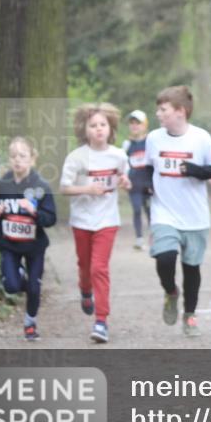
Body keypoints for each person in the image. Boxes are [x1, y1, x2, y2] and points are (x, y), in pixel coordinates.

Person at [144, 86, 211, 337]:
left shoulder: (201, 137)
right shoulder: (154, 138)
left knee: (191, 268)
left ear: (180, 111)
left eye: (163, 109)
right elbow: (147, 168)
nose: (158, 114)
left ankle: (190, 314)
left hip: (194, 215)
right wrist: (145, 186)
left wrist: (194, 170)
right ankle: (170, 291)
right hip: (163, 212)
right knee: (165, 258)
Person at [60, 103, 132, 344]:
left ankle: (101, 321)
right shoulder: (77, 157)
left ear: (110, 128)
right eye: (93, 125)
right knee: (85, 265)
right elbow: (64, 188)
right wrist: (87, 189)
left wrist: (124, 181)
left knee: (99, 268)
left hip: (107, 219)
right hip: (81, 220)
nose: (99, 129)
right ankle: (85, 290)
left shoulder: (119, 155)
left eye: (103, 125)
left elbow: (125, 177)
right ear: (85, 129)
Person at [0, 137, 57, 341]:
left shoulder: (41, 186)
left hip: (34, 247)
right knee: (11, 286)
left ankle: (30, 324)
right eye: (13, 156)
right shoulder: (1, 184)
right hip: (9, 246)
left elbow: (51, 218)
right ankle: (22, 277)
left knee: (34, 287)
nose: (17, 160)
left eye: (22, 156)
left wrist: (34, 212)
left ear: (32, 159)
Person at [122, 110, 152, 250]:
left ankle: (154, 236)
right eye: (132, 123)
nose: (134, 126)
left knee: (150, 210)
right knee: (136, 209)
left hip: (148, 184)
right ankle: (139, 238)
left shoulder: (150, 142)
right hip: (134, 185)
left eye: (137, 123)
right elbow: (123, 164)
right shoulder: (127, 145)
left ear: (144, 125)